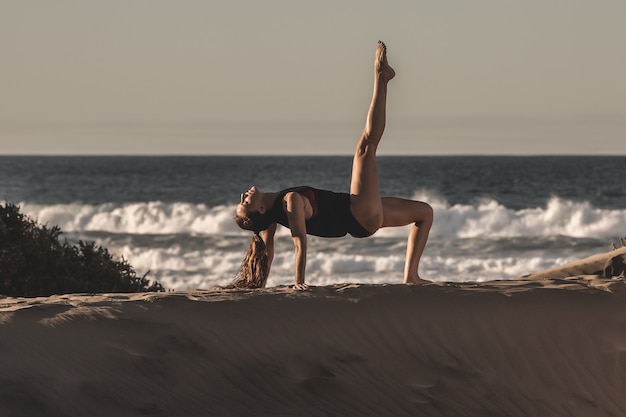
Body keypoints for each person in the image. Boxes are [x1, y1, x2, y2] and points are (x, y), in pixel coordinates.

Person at [232, 41, 433, 289]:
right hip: (358, 212)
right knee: (365, 148)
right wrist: (299, 283)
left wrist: (258, 286)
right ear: (260, 209)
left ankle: (411, 276)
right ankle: (380, 78)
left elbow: (267, 252)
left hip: (362, 214)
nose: (244, 196)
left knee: (425, 213)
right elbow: (299, 243)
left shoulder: (272, 215)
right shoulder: (290, 201)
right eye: (245, 203)